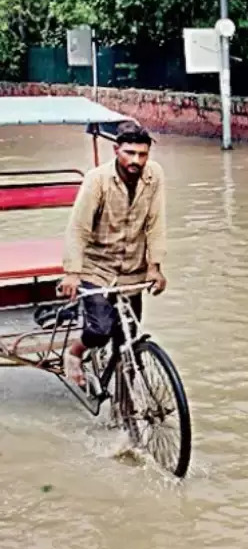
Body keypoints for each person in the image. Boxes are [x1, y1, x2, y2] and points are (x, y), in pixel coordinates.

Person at [58, 121, 168, 387]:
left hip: (133, 269)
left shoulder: (154, 175)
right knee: (100, 330)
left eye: (142, 154)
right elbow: (78, 227)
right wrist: (72, 273)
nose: (136, 160)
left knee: (128, 339)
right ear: (116, 150)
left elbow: (156, 222)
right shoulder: (97, 179)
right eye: (129, 153)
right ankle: (74, 353)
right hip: (98, 267)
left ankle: (125, 402)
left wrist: (155, 266)